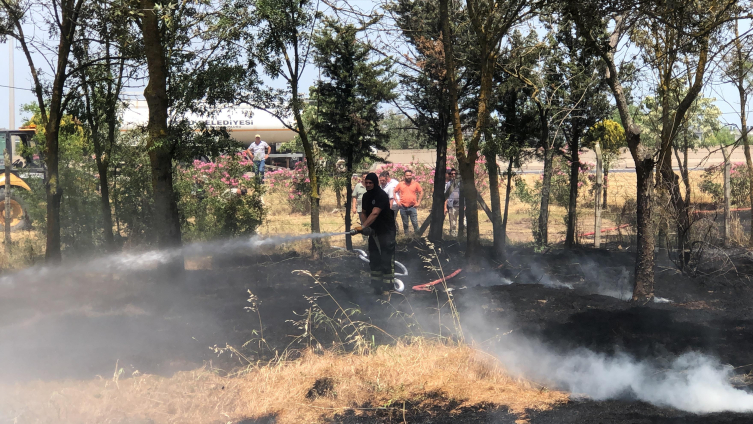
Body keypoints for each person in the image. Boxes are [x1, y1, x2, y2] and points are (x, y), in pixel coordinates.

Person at [355, 173, 397, 295]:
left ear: (375, 183)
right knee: (374, 258)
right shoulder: (366, 196)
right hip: (374, 232)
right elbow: (363, 212)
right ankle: (376, 287)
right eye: (366, 183)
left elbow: (375, 213)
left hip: (386, 232)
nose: (368, 185)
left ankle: (388, 288)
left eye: (370, 183)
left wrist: (363, 227)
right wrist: (366, 227)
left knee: (386, 258)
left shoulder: (381, 195)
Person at [445, 168, 461, 237]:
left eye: (455, 173)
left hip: (461, 205)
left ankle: (462, 235)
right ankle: (453, 236)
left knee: (464, 222)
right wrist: (445, 207)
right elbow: (446, 196)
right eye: (452, 174)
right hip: (452, 206)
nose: (453, 175)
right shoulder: (448, 184)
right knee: (453, 222)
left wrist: (465, 204)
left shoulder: (461, 183)